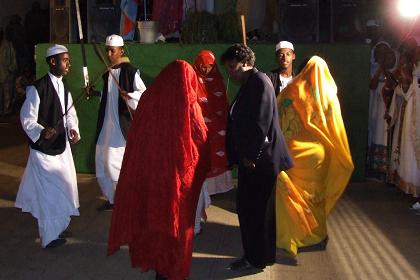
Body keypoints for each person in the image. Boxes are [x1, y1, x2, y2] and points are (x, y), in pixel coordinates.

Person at [108, 60, 209, 280]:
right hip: (179, 181)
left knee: (154, 220)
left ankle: (159, 268)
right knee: (178, 227)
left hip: (152, 176)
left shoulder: (149, 98)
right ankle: (174, 271)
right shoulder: (188, 102)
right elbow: (201, 136)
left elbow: (137, 136)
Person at [222, 44, 293, 271]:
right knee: (254, 210)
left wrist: (250, 155)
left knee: (254, 210)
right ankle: (259, 255)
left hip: (259, 161)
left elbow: (261, 122)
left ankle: (256, 257)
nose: (230, 73)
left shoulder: (259, 82)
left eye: (232, 67)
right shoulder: (250, 83)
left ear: (245, 63)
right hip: (254, 159)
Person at [275, 56, 354, 258]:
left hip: (294, 154)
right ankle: (315, 234)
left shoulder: (291, 92)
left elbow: (277, 120)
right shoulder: (328, 95)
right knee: (315, 197)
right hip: (319, 156)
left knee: (293, 195)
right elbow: (336, 128)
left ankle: (294, 233)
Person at [15, 44, 80, 248]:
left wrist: (72, 128)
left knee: (65, 186)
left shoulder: (64, 85)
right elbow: (27, 119)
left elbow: (70, 113)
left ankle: (58, 225)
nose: (68, 63)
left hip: (61, 147)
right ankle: (49, 236)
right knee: (49, 193)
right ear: (53, 61)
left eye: (69, 60)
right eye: (65, 60)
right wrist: (42, 131)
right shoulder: (37, 88)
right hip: (44, 151)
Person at [93, 34, 146, 211]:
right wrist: (94, 94)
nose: (108, 54)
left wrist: (129, 95)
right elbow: (108, 99)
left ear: (121, 50)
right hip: (105, 125)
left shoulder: (131, 71)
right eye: (107, 50)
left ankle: (125, 200)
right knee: (101, 162)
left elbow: (144, 95)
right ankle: (113, 199)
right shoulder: (108, 73)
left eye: (112, 50)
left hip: (120, 127)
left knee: (114, 164)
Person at [192, 50, 233, 236]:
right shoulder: (193, 80)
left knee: (214, 158)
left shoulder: (218, 80)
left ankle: (202, 208)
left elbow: (222, 103)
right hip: (199, 129)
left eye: (209, 66)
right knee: (201, 165)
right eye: (202, 66)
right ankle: (200, 212)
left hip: (217, 127)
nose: (205, 69)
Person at [387, 45, 420, 198]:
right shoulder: (412, 67)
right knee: (407, 146)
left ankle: (415, 188)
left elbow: (410, 88)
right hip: (410, 110)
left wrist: (407, 80)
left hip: (415, 110)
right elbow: (406, 89)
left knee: (414, 147)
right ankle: (409, 187)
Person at [366, 41, 393, 181]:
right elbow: (372, 84)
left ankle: (385, 169)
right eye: (380, 51)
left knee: (385, 133)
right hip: (376, 102)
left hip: (388, 103)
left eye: (385, 51)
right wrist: (379, 68)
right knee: (374, 131)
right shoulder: (372, 67)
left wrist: (386, 69)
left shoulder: (393, 69)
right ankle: (373, 167)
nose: (382, 54)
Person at [0, 27, 17, 116]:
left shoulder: (8, 45)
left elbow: (13, 60)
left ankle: (6, 112)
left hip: (6, 74)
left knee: (7, 95)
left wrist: (10, 70)